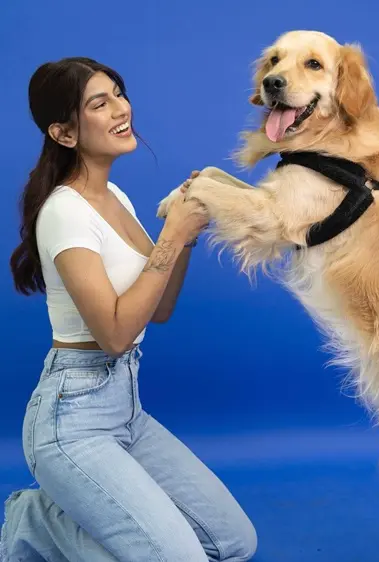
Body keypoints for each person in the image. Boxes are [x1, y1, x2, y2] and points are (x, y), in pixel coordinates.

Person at [0, 57, 257, 562]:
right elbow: (115, 334)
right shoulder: (64, 212)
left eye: (119, 93)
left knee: (233, 543)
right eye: (100, 103)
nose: (122, 109)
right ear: (64, 132)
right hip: (71, 418)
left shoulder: (114, 196)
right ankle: (32, 519)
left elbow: (155, 312)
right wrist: (172, 233)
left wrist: (186, 234)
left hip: (128, 410)